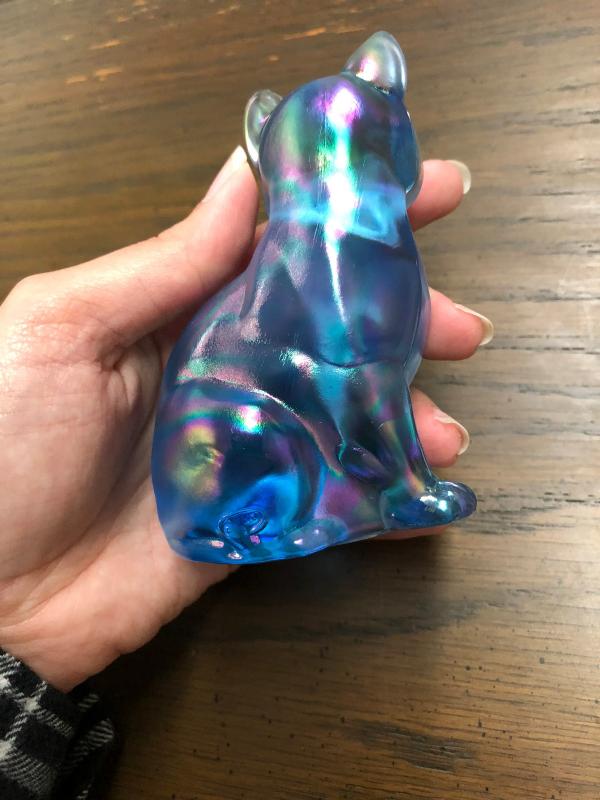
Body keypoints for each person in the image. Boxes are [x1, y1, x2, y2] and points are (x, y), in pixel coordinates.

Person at [0, 148, 492, 799]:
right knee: (332, 408)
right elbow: (352, 382)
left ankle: (364, 496)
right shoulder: (316, 259)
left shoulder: (342, 254)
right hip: (231, 464)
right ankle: (375, 497)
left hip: (248, 467)